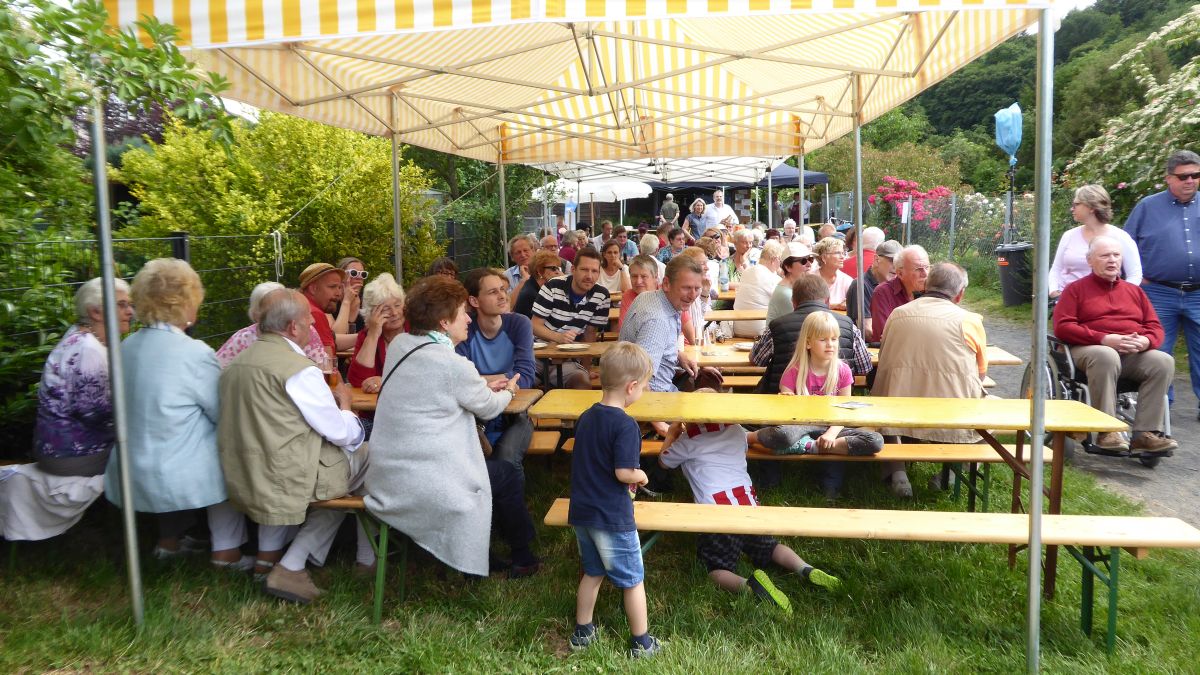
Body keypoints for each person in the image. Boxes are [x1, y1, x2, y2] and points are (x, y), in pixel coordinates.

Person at [366, 276, 540, 580]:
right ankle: (522, 557)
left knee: (492, 471)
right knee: (506, 474)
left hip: (387, 476)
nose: (468, 319)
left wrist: (480, 384)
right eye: (462, 313)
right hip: (427, 481)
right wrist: (510, 390)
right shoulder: (452, 364)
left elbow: (438, 386)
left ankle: (486, 554)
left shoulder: (401, 346)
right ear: (444, 323)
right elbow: (490, 407)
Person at [218, 288, 373, 599]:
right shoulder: (300, 370)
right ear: (292, 327)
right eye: (308, 321)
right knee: (373, 457)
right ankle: (359, 560)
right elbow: (340, 433)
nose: (312, 325)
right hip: (285, 479)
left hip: (242, 474)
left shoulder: (236, 363)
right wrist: (345, 405)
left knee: (347, 479)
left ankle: (304, 561)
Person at [104, 258, 249, 570]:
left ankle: (168, 543)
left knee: (174, 435)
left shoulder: (124, 348)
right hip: (176, 473)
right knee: (229, 446)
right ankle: (226, 552)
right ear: (186, 302)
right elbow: (222, 413)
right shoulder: (194, 353)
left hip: (129, 467)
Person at [658, 392, 842, 613]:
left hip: (717, 515)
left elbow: (664, 462)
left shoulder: (688, 441)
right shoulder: (736, 430)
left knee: (716, 569)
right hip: (749, 506)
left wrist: (672, 433)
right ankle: (805, 568)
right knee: (771, 547)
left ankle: (750, 586)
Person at [567, 341, 661, 658]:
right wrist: (641, 476)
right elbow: (623, 472)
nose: (643, 391)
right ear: (631, 387)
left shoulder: (586, 417)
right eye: (644, 386)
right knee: (633, 580)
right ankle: (641, 642)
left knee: (592, 572)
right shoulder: (626, 425)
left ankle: (582, 631)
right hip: (611, 516)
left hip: (582, 512)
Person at [872, 263, 988, 498]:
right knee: (992, 418)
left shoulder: (897, 314)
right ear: (960, 294)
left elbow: (884, 357)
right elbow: (981, 373)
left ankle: (898, 473)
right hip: (951, 410)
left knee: (886, 394)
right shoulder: (969, 321)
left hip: (898, 407)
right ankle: (951, 474)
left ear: (926, 285)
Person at [1053, 236, 1177, 454]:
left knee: (1163, 361)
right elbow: (1063, 327)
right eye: (1105, 255)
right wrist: (1104, 339)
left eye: (1116, 255)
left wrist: (1145, 341)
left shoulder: (1134, 291)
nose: (1112, 260)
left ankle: (1145, 434)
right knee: (1106, 356)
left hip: (1130, 353)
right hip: (1088, 349)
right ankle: (1107, 431)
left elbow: (1155, 327)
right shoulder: (1075, 290)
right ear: (1090, 260)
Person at [749, 312, 883, 499]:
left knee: (875, 440)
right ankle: (748, 438)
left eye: (834, 339)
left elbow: (844, 412)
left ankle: (812, 447)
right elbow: (785, 416)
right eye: (823, 339)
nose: (830, 344)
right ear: (808, 343)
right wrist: (786, 401)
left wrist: (831, 434)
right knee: (782, 435)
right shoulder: (793, 371)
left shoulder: (843, 371)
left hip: (832, 427)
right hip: (800, 426)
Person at [33, 278, 134, 477]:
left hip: (55, 450)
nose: (130, 311)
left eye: (130, 305)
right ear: (95, 312)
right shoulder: (89, 350)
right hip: (74, 456)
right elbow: (95, 414)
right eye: (121, 305)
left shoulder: (78, 335)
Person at [1126, 151, 1200, 419]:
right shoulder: (1147, 207)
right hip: (1159, 291)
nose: (1190, 181)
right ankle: (1160, 410)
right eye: (1183, 176)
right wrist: (1138, 277)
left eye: (1196, 175)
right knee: (1158, 351)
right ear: (1169, 178)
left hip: (1198, 293)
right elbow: (1126, 245)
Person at [456, 268, 537, 476]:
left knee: (506, 459)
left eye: (503, 289)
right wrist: (505, 377)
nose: (503, 296)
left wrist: (480, 379)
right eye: (493, 292)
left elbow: (526, 378)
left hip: (516, 412)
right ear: (474, 301)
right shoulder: (464, 328)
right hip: (475, 412)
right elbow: (459, 379)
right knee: (465, 459)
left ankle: (510, 498)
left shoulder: (519, 324)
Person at [531, 246, 610, 389]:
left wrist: (586, 369)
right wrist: (558, 337)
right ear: (573, 269)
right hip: (537, 355)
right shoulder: (553, 286)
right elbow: (534, 326)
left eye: (594, 271)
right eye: (584, 269)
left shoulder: (601, 295)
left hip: (568, 360)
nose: (589, 276)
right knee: (518, 384)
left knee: (582, 384)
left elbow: (590, 334)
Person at [1050, 185, 1141, 297]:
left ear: (1091, 207)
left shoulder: (1120, 237)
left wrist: (1119, 296)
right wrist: (1054, 291)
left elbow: (1135, 274)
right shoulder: (1069, 235)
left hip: (1105, 302)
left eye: (1076, 204)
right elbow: (1056, 269)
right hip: (1068, 300)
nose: (1072, 208)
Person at [217, 281, 327, 369]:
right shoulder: (242, 338)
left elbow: (323, 365)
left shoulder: (306, 330)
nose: (274, 315)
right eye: (267, 310)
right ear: (256, 314)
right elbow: (218, 368)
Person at [347, 272, 406, 399]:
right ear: (371, 313)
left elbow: (424, 376)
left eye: (397, 305)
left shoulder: (416, 330)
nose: (395, 313)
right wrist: (373, 335)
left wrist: (386, 381)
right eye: (385, 309)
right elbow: (358, 381)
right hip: (376, 407)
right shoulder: (367, 335)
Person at [870, 244, 930, 343]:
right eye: (918, 269)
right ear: (900, 273)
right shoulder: (883, 292)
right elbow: (883, 336)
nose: (925, 274)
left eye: (927, 267)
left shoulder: (934, 292)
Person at [846, 240, 901, 340]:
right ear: (876, 259)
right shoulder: (860, 285)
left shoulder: (898, 285)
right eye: (892, 261)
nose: (896, 267)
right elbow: (867, 331)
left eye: (899, 263)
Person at [732, 240, 785, 337]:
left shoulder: (747, 272)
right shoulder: (773, 279)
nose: (780, 265)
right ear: (775, 259)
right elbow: (785, 304)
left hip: (738, 329)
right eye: (780, 261)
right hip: (760, 331)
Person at [299, 262, 346, 362]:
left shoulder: (300, 307)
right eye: (332, 287)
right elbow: (327, 363)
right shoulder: (314, 313)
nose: (338, 293)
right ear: (313, 289)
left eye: (339, 287)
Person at [766, 243, 814, 324]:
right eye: (803, 261)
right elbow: (802, 323)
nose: (809, 264)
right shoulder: (786, 294)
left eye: (811, 259)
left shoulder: (797, 287)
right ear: (788, 267)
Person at [513, 249, 563, 318]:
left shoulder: (536, 286)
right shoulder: (531, 295)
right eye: (553, 268)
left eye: (558, 268)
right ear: (539, 271)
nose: (558, 272)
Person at [811, 237, 854, 310]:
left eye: (843, 253)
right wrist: (836, 306)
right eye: (837, 253)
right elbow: (809, 306)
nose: (842, 257)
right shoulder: (810, 279)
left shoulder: (847, 280)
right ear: (824, 257)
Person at [332, 257, 367, 343]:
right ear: (341, 277)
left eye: (363, 274)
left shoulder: (366, 301)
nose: (359, 277)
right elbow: (335, 338)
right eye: (354, 273)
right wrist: (346, 302)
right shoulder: (330, 302)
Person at [504, 233, 537, 301]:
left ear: (533, 251)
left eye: (525, 250)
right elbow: (508, 303)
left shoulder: (543, 270)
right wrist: (523, 280)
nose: (523, 255)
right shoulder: (507, 276)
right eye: (518, 252)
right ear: (512, 257)